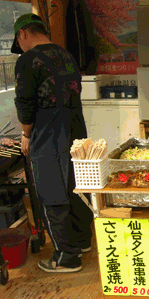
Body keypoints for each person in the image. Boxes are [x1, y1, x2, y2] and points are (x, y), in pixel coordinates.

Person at [12, 13, 93, 273]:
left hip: (48, 131)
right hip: (75, 127)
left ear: (22, 33)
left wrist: (26, 134)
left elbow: (25, 104)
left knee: (51, 189)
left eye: (19, 40)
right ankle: (82, 242)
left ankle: (66, 257)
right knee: (76, 184)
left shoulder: (28, 60)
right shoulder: (66, 55)